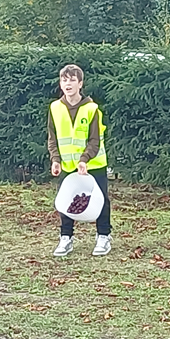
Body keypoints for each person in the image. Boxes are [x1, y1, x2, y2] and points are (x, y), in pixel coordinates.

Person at [48, 64, 112, 257]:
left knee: (101, 200)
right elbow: (52, 137)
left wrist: (84, 159)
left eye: (72, 80)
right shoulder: (55, 108)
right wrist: (55, 159)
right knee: (65, 201)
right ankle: (66, 238)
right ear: (60, 84)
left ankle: (103, 236)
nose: (68, 84)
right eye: (64, 80)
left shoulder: (92, 109)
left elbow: (95, 140)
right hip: (67, 166)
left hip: (93, 164)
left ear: (80, 84)